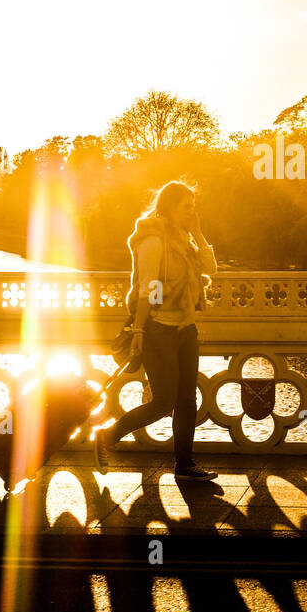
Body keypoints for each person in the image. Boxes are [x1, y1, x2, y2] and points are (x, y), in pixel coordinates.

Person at [92, 181, 218, 481]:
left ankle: (185, 465)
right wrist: (138, 331)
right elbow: (149, 289)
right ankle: (108, 435)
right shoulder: (154, 240)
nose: (191, 212)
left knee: (188, 400)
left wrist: (198, 232)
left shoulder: (185, 239)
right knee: (164, 401)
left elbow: (211, 269)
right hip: (158, 330)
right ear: (169, 208)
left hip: (186, 329)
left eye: (193, 207)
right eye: (186, 207)